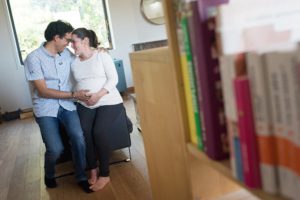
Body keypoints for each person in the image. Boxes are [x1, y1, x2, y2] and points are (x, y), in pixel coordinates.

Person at [24, 20, 93, 193]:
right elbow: (43, 91)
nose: (69, 43)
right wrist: (74, 95)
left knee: (78, 137)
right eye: (67, 40)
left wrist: (98, 51)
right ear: (56, 38)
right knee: (55, 149)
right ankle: (49, 173)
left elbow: (84, 58)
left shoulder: (67, 54)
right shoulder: (34, 58)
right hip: (45, 108)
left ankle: (81, 176)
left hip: (67, 106)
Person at [70, 28, 124, 191]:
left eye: (74, 41)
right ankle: (92, 170)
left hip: (108, 100)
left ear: (85, 41)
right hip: (85, 103)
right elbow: (73, 85)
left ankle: (105, 174)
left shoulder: (102, 55)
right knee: (84, 132)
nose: (72, 45)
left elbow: (114, 78)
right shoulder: (74, 62)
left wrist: (98, 95)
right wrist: (78, 96)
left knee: (98, 132)